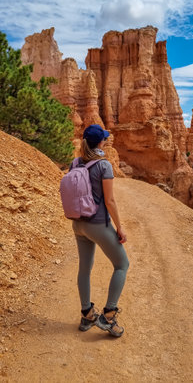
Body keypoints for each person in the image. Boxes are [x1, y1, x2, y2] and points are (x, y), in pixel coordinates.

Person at [71, 124, 129, 337]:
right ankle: (108, 316)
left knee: (84, 268)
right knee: (122, 264)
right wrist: (119, 227)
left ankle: (87, 316)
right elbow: (110, 200)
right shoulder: (104, 165)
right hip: (98, 224)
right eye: (104, 139)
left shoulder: (75, 162)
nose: (106, 140)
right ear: (100, 142)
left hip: (78, 224)